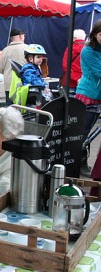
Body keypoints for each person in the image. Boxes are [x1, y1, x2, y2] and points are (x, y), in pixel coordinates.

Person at [75, 21, 101, 177]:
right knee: (83, 132)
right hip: (88, 95)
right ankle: (78, 162)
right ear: (94, 34)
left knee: (93, 132)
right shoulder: (88, 51)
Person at [0, 28, 28, 105]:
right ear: (20, 36)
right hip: (24, 86)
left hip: (9, 86)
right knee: (25, 112)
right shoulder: (28, 48)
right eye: (24, 35)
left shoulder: (5, 50)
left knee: (10, 112)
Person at [61, 29, 86, 94]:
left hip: (69, 82)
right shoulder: (89, 49)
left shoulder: (70, 48)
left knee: (68, 103)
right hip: (84, 82)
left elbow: (65, 66)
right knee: (81, 103)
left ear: (74, 38)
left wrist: (76, 78)